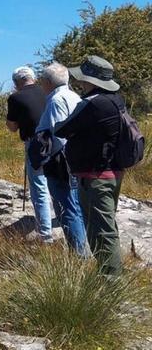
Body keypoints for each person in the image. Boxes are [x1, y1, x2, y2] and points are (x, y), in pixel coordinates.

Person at [54, 56, 128, 276]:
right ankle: (111, 274)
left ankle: (111, 283)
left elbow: (61, 128)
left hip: (95, 176)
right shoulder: (116, 100)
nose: (81, 83)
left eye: (83, 79)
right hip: (112, 172)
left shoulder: (93, 103)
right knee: (107, 226)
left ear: (92, 80)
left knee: (101, 232)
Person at [35, 62, 87, 255]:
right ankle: (82, 251)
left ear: (48, 82)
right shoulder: (75, 97)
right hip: (77, 159)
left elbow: (57, 136)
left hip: (61, 163)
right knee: (76, 207)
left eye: (43, 81)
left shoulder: (56, 100)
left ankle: (78, 255)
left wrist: (44, 157)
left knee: (67, 209)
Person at [6, 66, 51, 242]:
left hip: (35, 144)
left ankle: (45, 235)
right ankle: (60, 221)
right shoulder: (47, 92)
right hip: (56, 141)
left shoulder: (15, 97)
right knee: (57, 184)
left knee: (39, 187)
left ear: (17, 83)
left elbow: (12, 126)